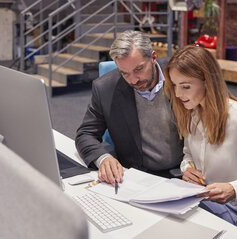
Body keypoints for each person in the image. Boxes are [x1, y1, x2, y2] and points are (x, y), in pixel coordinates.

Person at [163, 45, 237, 229]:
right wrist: (187, 169)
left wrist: (234, 190)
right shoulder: (192, 112)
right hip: (203, 201)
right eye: (175, 86)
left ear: (207, 82)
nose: (177, 94)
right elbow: (188, 155)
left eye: (185, 86)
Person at [75, 30, 184, 186]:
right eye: (124, 73)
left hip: (182, 173)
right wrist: (104, 159)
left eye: (138, 69)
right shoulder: (105, 88)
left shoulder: (179, 77)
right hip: (136, 177)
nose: (133, 80)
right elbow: (85, 134)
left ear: (153, 57)